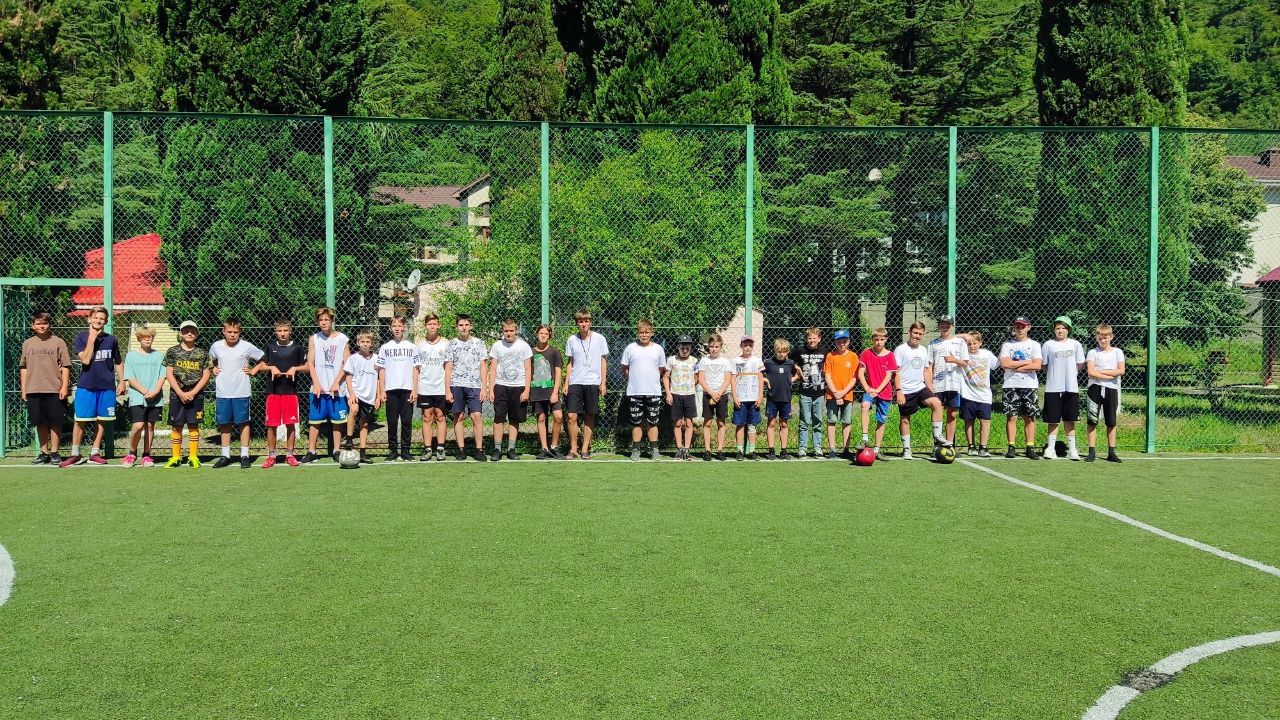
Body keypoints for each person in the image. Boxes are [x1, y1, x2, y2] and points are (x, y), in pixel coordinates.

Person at [59, 306, 123, 467]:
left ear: (106, 322)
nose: (98, 320)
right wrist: (92, 338)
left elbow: (118, 362)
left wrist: (122, 381)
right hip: (86, 386)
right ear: (89, 319)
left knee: (102, 420)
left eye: (102, 318)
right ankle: (75, 454)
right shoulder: (81, 338)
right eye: (95, 317)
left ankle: (94, 453)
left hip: (107, 387)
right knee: (80, 420)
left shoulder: (111, 340)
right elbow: (86, 360)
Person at [209, 317, 264, 468]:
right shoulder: (216, 346)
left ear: (240, 332)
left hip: (241, 391)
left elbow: (263, 358)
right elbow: (211, 360)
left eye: (235, 332)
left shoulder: (246, 346)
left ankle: (244, 455)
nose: (232, 334)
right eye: (229, 332)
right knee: (224, 423)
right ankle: (225, 456)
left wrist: (254, 370)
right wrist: (213, 368)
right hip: (223, 392)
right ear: (223, 331)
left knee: (243, 422)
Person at [19, 311, 70, 465]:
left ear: (49, 325)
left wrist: (64, 386)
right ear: (33, 326)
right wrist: (24, 389)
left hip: (54, 389)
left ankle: (54, 453)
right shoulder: (27, 343)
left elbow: (66, 366)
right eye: (39, 324)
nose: (42, 326)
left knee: (55, 422)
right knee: (40, 422)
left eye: (45, 323)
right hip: (33, 389)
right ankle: (44, 453)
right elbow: (23, 367)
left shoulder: (58, 342)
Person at [893, 321, 948, 460]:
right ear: (909, 332)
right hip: (905, 390)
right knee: (905, 420)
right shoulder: (900, 350)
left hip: (920, 387)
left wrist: (931, 390)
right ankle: (907, 449)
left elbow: (926, 372)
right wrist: (899, 391)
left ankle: (937, 435)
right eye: (915, 333)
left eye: (920, 334)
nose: (917, 336)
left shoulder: (923, 350)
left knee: (936, 403)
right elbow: (896, 373)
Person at [255, 318, 306, 468]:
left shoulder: (297, 348)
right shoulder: (270, 347)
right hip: (273, 392)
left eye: (285, 330)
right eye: (279, 331)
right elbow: (261, 366)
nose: (282, 333)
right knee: (272, 425)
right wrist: (271, 368)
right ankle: (271, 456)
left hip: (290, 392)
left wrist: (295, 368)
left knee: (290, 424)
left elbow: (308, 367)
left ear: (290, 331)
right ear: (275, 332)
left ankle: (290, 454)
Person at [162, 320, 212, 468]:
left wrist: (194, 392)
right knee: (176, 426)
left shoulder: (202, 353)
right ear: (180, 333)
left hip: (196, 396)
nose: (189, 333)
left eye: (192, 331)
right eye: (185, 331)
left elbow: (206, 374)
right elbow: (169, 373)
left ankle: (193, 457)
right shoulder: (172, 351)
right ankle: (175, 457)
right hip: (177, 395)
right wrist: (180, 392)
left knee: (193, 425)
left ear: (197, 333)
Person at [304, 307, 350, 463]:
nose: (323, 322)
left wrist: (336, 382)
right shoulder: (314, 339)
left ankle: (336, 450)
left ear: (332, 321)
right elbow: (310, 363)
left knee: (337, 422)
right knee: (315, 421)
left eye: (326, 319)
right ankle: (311, 451)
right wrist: (316, 383)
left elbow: (346, 363)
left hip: (336, 390)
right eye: (321, 320)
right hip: (318, 389)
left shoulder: (342, 339)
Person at [563, 310, 608, 460]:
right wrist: (566, 383)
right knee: (571, 416)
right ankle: (573, 449)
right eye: (581, 321)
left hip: (592, 382)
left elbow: (603, 361)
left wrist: (603, 383)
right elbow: (570, 363)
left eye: (586, 321)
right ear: (577, 323)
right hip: (575, 381)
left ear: (590, 322)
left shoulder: (600, 339)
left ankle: (584, 449)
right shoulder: (572, 339)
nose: (583, 324)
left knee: (589, 415)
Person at [119, 325, 165, 467]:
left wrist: (155, 391)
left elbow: (162, 376)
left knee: (150, 426)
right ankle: (132, 453)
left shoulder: (159, 356)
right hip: (138, 397)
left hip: (155, 398)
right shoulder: (131, 356)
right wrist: (144, 391)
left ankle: (146, 455)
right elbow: (129, 377)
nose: (148, 339)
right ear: (139, 339)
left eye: (150, 336)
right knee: (138, 426)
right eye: (144, 337)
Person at [1041, 315, 1086, 460]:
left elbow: (1080, 364)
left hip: (1071, 388)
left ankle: (1072, 450)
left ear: (1068, 330)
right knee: (1053, 420)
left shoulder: (1075, 344)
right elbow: (1044, 365)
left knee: (1069, 419)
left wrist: (1070, 374)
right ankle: (1050, 449)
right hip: (1053, 388)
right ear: (1054, 330)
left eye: (1063, 328)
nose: (1060, 331)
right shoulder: (1048, 344)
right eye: (1057, 328)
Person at [621, 319, 667, 461]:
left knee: (653, 422)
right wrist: (634, 378)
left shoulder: (658, 349)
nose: (644, 335)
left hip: (653, 391)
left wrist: (651, 378)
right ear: (637, 333)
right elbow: (624, 368)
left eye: (647, 332)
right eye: (641, 332)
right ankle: (636, 450)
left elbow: (661, 369)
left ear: (652, 333)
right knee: (636, 422)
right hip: (634, 391)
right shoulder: (630, 348)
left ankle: (654, 450)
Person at [445, 314, 489, 461]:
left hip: (474, 386)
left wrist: (484, 388)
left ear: (471, 326)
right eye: (461, 325)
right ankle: (461, 449)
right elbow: (448, 368)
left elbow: (483, 367)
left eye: (466, 325)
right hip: (456, 384)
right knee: (459, 416)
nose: (464, 328)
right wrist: (447, 390)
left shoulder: (479, 343)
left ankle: (479, 450)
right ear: (457, 327)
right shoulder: (452, 344)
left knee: (477, 416)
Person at [488, 318, 533, 461]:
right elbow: (493, 368)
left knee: (514, 419)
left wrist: (527, 390)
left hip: (518, 386)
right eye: (506, 331)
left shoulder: (524, 346)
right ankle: (497, 449)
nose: (509, 333)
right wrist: (491, 389)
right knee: (499, 418)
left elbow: (528, 369)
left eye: (511, 330)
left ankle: (511, 449)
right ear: (503, 331)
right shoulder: (497, 346)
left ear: (516, 330)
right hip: (501, 386)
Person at [1000, 316, 1043, 459]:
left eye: (1023, 326)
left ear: (1028, 327)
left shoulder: (1035, 345)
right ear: (1014, 327)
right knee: (1011, 416)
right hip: (1011, 384)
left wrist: (1015, 365)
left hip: (1029, 385)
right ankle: (1011, 447)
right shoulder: (1007, 345)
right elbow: (1005, 364)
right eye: (1017, 326)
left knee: (1029, 417)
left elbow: (1037, 365)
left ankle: (1029, 447)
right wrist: (1027, 362)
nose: (1020, 329)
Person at [378, 316, 420, 462]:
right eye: (394, 326)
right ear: (390, 328)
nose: (397, 328)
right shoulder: (385, 347)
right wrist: (382, 390)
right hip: (390, 389)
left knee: (407, 421)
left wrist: (415, 389)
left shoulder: (412, 347)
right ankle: (393, 451)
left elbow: (416, 369)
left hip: (407, 389)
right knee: (392, 422)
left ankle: (406, 451)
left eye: (399, 325)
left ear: (404, 327)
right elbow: (381, 369)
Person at [1085, 323, 1125, 463]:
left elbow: (1121, 370)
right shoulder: (1092, 352)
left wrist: (1101, 372)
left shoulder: (1117, 352)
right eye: (1100, 338)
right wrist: (1109, 375)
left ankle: (1111, 453)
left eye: (1105, 337)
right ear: (1096, 338)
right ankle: (1091, 451)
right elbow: (1091, 372)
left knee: (1111, 421)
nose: (1102, 340)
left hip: (1112, 389)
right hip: (1094, 388)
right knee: (1092, 420)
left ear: (1111, 337)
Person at [928, 315, 969, 446]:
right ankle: (937, 443)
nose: (944, 327)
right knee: (937, 412)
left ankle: (950, 444)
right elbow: (929, 366)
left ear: (952, 326)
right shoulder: (933, 343)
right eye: (942, 324)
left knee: (952, 414)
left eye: (948, 324)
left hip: (954, 384)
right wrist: (930, 385)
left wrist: (954, 360)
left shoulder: (960, 342)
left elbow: (965, 364)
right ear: (939, 326)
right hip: (937, 384)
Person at [858, 328, 897, 461]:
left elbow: (888, 376)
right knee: (864, 406)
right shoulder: (866, 353)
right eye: (876, 339)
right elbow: (860, 373)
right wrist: (868, 389)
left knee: (881, 420)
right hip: (869, 390)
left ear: (886, 339)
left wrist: (878, 390)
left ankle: (876, 450)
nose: (879, 342)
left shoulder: (890, 355)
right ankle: (864, 438)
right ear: (872, 340)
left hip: (884, 392)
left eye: (881, 339)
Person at [415, 313, 450, 462]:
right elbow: (416, 369)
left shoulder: (446, 344)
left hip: (440, 387)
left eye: (434, 324)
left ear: (439, 325)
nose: (432, 326)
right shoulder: (420, 346)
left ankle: (440, 449)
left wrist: (448, 389)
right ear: (425, 326)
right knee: (427, 417)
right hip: (425, 387)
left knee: (440, 416)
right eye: (429, 324)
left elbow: (448, 368)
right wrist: (415, 389)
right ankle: (428, 449)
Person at [530, 324, 565, 460]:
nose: (543, 335)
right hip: (536, 390)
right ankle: (544, 448)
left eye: (546, 333)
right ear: (537, 334)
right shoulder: (531, 352)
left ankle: (554, 447)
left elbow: (558, 372)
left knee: (558, 416)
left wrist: (555, 392)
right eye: (541, 333)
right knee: (541, 418)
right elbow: (528, 372)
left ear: (549, 335)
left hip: (551, 390)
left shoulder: (554, 351)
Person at [958, 331, 996, 458]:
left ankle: (983, 447)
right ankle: (971, 446)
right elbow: (953, 338)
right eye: (969, 343)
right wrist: (965, 336)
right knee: (969, 421)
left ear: (980, 343)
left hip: (985, 395)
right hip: (968, 394)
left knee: (985, 421)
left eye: (974, 343)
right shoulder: (964, 354)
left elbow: (998, 364)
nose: (972, 346)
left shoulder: (987, 354)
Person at [789, 327, 826, 458]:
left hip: (819, 392)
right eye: (809, 338)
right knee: (804, 421)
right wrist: (797, 368)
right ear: (806, 339)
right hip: (805, 391)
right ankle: (802, 448)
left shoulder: (824, 351)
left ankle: (817, 448)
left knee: (818, 421)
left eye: (814, 338)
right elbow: (788, 360)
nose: (812, 340)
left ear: (819, 339)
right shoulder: (800, 351)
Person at [343, 331, 379, 463]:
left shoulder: (377, 359)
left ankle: (363, 452)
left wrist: (378, 396)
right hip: (355, 392)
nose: (365, 344)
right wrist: (351, 394)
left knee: (365, 423)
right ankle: (349, 439)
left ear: (371, 343)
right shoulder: (353, 358)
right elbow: (348, 377)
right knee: (354, 410)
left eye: (367, 342)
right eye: (362, 342)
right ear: (358, 343)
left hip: (369, 395)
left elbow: (379, 379)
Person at [823, 329, 859, 459]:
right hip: (832, 395)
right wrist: (835, 393)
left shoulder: (853, 356)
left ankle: (846, 449)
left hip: (847, 395)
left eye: (844, 341)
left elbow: (854, 378)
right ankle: (832, 449)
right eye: (839, 342)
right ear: (835, 342)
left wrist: (843, 393)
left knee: (846, 421)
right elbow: (827, 376)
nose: (842, 344)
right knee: (831, 421)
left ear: (848, 341)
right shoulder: (830, 356)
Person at [697, 333, 733, 461]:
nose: (714, 349)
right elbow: (701, 380)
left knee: (721, 422)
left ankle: (720, 450)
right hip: (708, 395)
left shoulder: (726, 362)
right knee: (707, 422)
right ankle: (707, 450)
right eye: (712, 346)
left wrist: (718, 394)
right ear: (708, 347)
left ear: (721, 347)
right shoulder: (704, 361)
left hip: (722, 395)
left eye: (716, 346)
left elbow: (727, 380)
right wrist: (712, 393)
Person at [663, 334, 699, 461]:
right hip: (675, 395)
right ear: (678, 347)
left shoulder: (694, 361)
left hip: (689, 395)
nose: (685, 350)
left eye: (687, 348)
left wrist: (690, 386)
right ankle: (679, 450)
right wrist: (668, 393)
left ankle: (686, 450)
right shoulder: (671, 360)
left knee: (689, 422)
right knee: (678, 422)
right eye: (682, 348)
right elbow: (665, 377)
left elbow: (697, 377)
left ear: (691, 348)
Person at [763, 338, 799, 460]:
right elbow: (759, 374)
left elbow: (796, 374)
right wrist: (765, 380)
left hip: (786, 399)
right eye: (779, 351)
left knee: (784, 424)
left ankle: (783, 450)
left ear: (787, 352)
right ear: (775, 350)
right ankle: (771, 450)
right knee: (771, 423)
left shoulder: (790, 363)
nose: (781, 354)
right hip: (772, 399)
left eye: (784, 351)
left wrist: (792, 380)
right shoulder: (768, 363)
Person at [732, 337, 765, 461]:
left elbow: (761, 379)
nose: (747, 347)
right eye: (745, 345)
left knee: (752, 425)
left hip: (753, 397)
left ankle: (752, 451)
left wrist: (760, 396)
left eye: (750, 345)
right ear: (741, 345)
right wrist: (735, 396)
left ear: (753, 346)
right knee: (740, 424)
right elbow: (733, 379)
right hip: (740, 398)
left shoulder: (757, 361)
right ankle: (739, 451)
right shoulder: (735, 360)